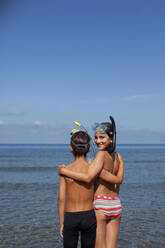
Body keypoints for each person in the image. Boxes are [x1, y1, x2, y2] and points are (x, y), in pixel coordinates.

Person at [59, 117, 124, 248]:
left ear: (111, 139)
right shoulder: (118, 157)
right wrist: (101, 172)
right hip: (116, 205)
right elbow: (119, 180)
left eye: (102, 137)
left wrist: (65, 171)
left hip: (101, 205)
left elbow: (88, 177)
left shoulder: (100, 155)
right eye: (96, 138)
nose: (98, 141)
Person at [58, 131, 97, 248]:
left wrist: (62, 223)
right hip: (89, 215)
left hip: (71, 216)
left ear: (71, 148)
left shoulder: (65, 170)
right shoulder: (92, 170)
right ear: (89, 148)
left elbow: (61, 199)